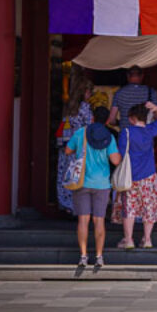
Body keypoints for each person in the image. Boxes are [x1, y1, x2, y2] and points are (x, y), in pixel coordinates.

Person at [64, 105, 121, 269]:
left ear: (92, 118)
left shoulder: (81, 133)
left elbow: (68, 150)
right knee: (99, 220)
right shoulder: (109, 136)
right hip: (102, 184)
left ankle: (83, 256)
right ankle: (99, 256)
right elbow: (115, 161)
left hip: (82, 182)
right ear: (107, 120)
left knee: (83, 220)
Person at [111, 101, 157, 249]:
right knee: (149, 207)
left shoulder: (126, 132)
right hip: (149, 175)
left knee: (129, 208)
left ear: (132, 118)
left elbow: (120, 154)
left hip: (130, 176)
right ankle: (147, 240)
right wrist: (156, 108)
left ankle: (128, 240)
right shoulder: (150, 130)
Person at [57, 73, 95, 215]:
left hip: (67, 146)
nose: (90, 94)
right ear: (84, 92)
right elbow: (89, 126)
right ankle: (78, 207)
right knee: (79, 175)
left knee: (66, 174)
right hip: (80, 147)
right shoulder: (85, 108)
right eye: (89, 91)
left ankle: (66, 204)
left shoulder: (69, 107)